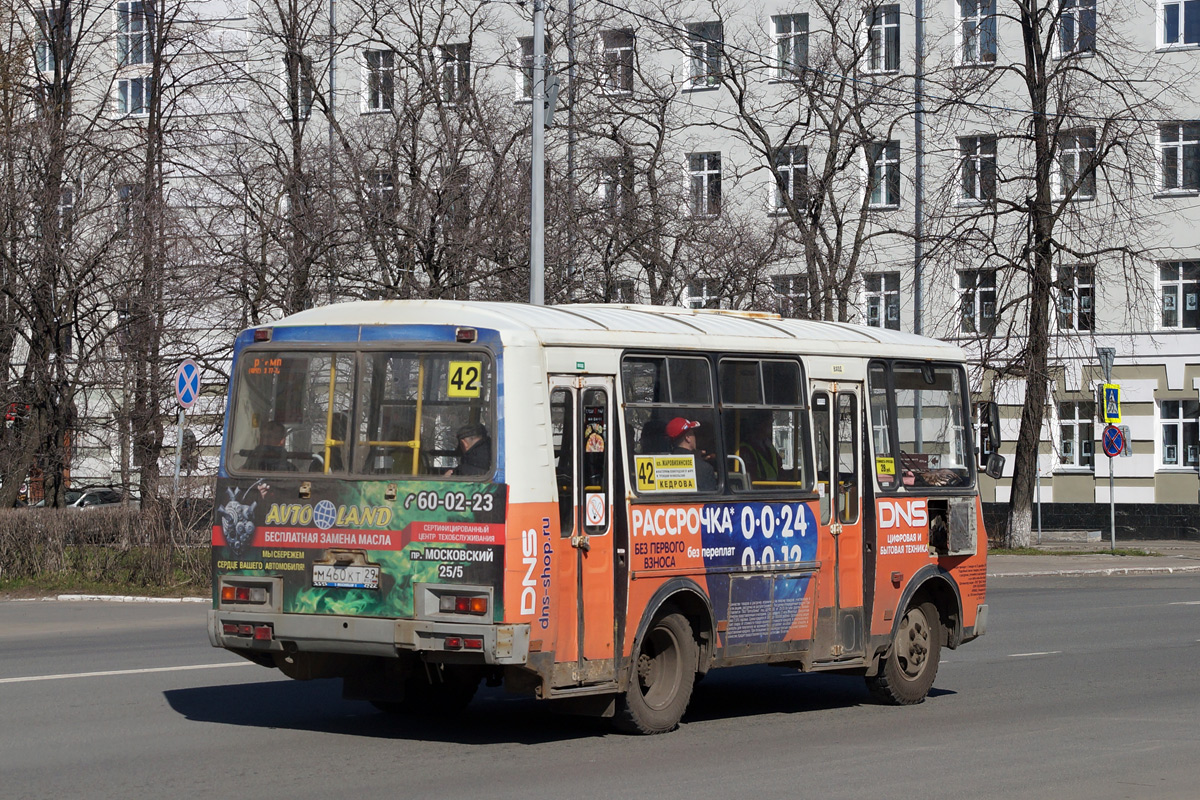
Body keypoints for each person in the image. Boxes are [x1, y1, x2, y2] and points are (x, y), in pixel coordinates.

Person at [666, 416, 717, 491]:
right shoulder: (705, 468)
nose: (695, 437)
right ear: (688, 437)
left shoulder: (662, 465)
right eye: (693, 433)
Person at [737, 412, 781, 484]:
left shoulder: (768, 445)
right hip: (759, 491)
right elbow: (751, 478)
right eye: (768, 424)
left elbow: (778, 465)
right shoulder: (745, 449)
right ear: (759, 425)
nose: (770, 426)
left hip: (773, 489)